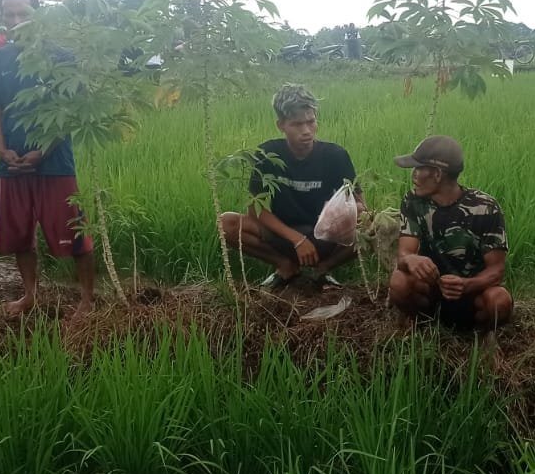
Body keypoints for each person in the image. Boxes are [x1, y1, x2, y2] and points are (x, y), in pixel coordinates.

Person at [0, 0, 95, 319]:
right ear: (2, 17)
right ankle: (30, 295)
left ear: (36, 13)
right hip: (12, 166)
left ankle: (87, 299)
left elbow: (68, 112)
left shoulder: (61, 57)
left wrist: (42, 151)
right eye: (9, 14)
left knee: (74, 235)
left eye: (23, 13)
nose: (16, 20)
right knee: (18, 237)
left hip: (55, 164)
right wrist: (2, 150)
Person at [219, 85, 357, 290]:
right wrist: (297, 239)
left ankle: (322, 270)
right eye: (297, 124)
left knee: (372, 227)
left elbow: (360, 204)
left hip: (325, 236)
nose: (306, 131)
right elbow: (255, 210)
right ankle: (285, 266)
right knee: (226, 223)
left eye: (311, 122)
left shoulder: (335, 156)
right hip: (282, 234)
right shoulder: (267, 155)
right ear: (281, 125)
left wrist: (343, 215)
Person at [387, 135, 513, 332]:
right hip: (431, 289)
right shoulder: (412, 202)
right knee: (399, 282)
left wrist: (467, 284)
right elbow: (404, 254)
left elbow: (496, 270)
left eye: (419, 168)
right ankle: (422, 326)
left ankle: (478, 335)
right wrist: (411, 259)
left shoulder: (485, 208)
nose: (413, 176)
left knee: (500, 301)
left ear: (437, 174)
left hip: (472, 292)